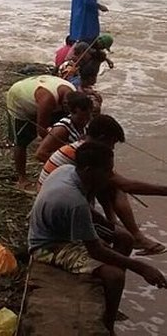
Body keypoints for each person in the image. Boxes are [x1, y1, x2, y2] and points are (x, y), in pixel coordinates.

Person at [29, 142, 167, 332]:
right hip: (49, 245)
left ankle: (110, 297)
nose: (110, 176)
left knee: (124, 238)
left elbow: (88, 212)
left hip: (63, 226)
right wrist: (142, 268)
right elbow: (96, 249)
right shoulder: (72, 200)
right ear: (88, 170)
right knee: (115, 276)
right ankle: (108, 324)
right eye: (107, 171)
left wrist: (109, 225)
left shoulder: (69, 170)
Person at [38, 115, 167, 256]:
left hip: (53, 197)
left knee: (108, 182)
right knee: (115, 188)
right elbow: (127, 185)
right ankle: (134, 236)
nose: (112, 148)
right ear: (102, 138)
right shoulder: (88, 154)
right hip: (59, 209)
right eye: (112, 143)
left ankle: (116, 225)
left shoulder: (82, 147)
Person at [6, 75, 76, 189]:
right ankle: (22, 178)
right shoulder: (47, 100)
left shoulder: (72, 90)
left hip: (38, 92)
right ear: (64, 104)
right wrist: (58, 154)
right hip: (19, 99)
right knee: (20, 141)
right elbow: (41, 130)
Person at [35, 91, 93, 163]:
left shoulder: (86, 124)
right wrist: (65, 164)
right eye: (81, 117)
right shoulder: (61, 129)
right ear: (72, 112)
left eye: (88, 116)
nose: (85, 120)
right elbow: (40, 154)